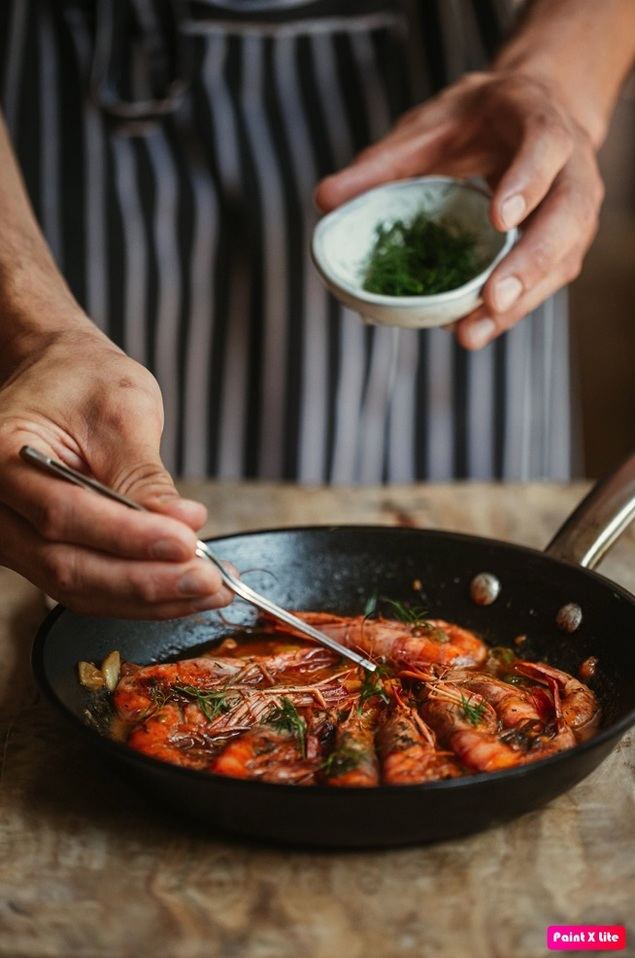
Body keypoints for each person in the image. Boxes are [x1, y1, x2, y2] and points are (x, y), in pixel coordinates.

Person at [0, 0, 633, 619]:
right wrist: (36, 328)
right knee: (113, 482)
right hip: (96, 129)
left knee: (507, 577)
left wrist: (554, 79)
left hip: (471, 136)